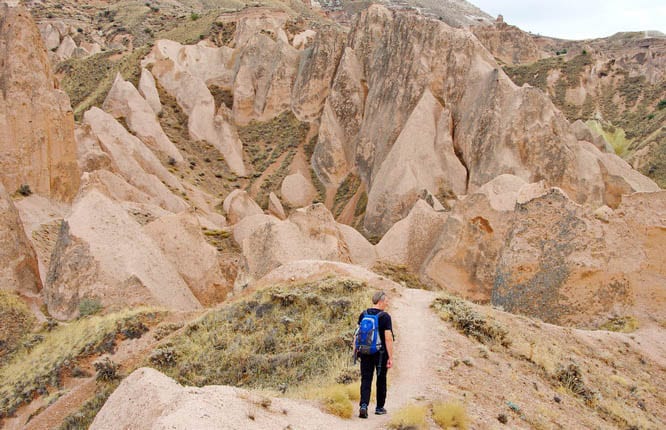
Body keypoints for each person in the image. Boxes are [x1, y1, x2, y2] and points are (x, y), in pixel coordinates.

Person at [356, 290, 394, 419]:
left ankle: (363, 406)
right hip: (380, 354)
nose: (387, 304)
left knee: (366, 379)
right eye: (386, 301)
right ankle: (379, 407)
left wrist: (356, 350)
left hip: (365, 351)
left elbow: (357, 334)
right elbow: (388, 338)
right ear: (381, 301)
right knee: (381, 379)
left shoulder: (363, 314)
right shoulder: (385, 317)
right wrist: (391, 357)